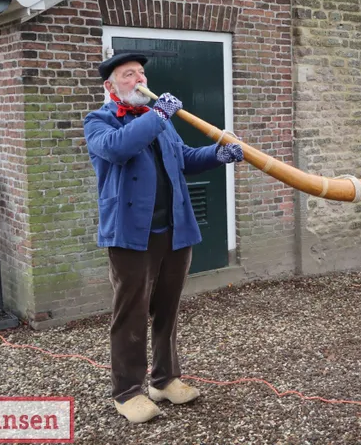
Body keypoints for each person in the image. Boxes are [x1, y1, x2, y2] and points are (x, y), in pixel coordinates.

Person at [83, 52, 244, 423]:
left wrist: (220, 154)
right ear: (110, 86)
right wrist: (158, 116)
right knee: (131, 314)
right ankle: (127, 393)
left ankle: (164, 379)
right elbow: (118, 148)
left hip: (175, 229)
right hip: (131, 236)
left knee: (167, 309)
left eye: (141, 73)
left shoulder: (160, 121)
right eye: (129, 75)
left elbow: (183, 158)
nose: (139, 79)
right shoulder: (99, 121)